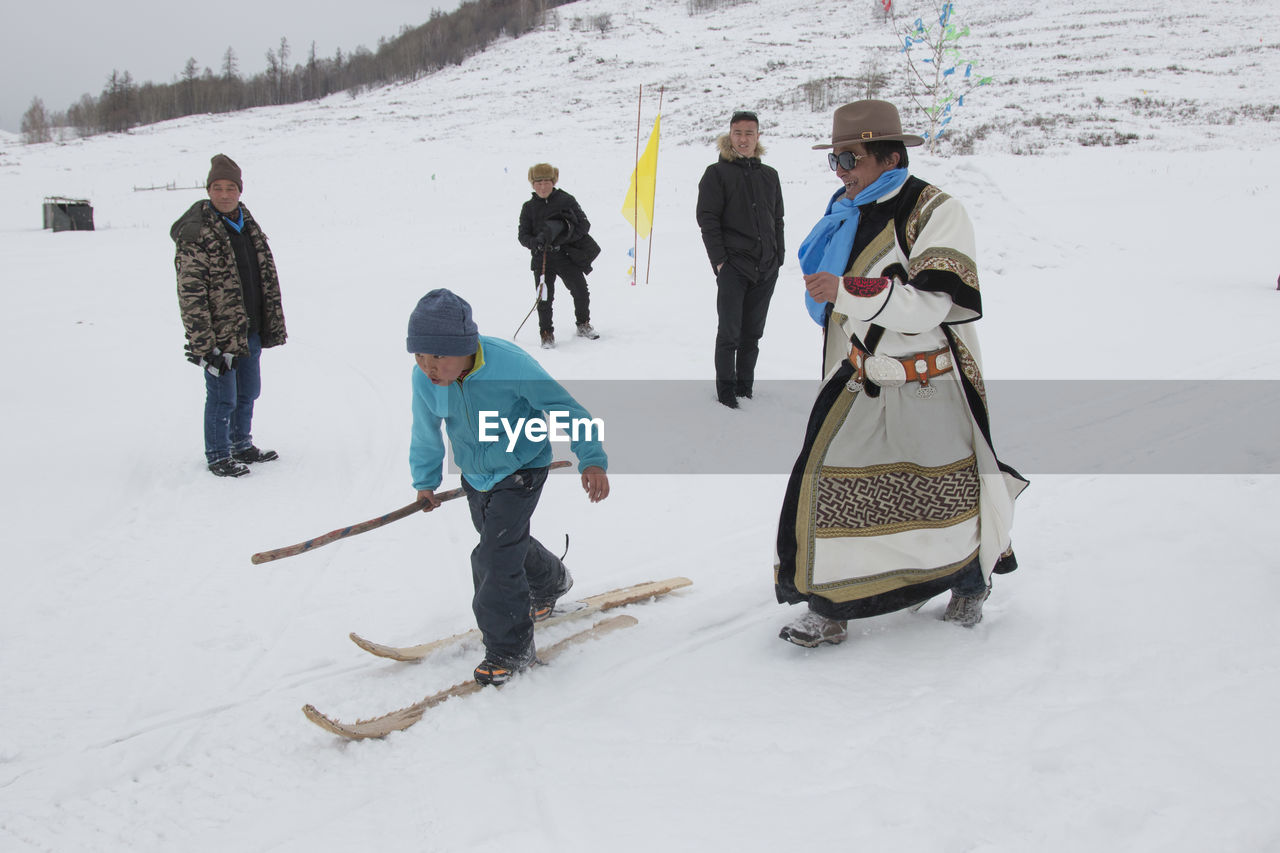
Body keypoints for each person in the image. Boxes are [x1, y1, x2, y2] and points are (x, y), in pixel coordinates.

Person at [774, 100, 1028, 647]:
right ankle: (830, 606)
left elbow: (932, 302)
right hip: (863, 379)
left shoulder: (935, 210)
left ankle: (969, 584)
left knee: (947, 496)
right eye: (835, 160)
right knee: (830, 488)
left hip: (928, 382)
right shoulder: (844, 209)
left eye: (850, 158)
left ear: (890, 158)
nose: (840, 171)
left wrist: (847, 291)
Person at [407, 289, 610, 685]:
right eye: (420, 355)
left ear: (466, 348)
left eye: (438, 356)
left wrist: (592, 459)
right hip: (476, 475)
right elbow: (425, 430)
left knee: (493, 557)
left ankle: (510, 648)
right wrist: (426, 481)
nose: (428, 366)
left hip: (522, 468)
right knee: (502, 541)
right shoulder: (425, 378)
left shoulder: (509, 365)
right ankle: (551, 580)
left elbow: (565, 408)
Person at [172, 154, 287, 478]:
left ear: (240, 190)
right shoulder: (196, 232)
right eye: (217, 188)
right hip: (218, 333)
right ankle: (218, 453)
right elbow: (190, 292)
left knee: (249, 391)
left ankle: (240, 443)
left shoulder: (246, 224)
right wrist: (203, 344)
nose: (224, 194)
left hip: (248, 326)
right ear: (208, 190)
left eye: (230, 188)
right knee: (223, 396)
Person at [696, 110, 785, 408]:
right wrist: (720, 262)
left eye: (749, 133)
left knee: (753, 334)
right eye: (738, 133)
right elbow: (708, 220)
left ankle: (745, 389)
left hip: (766, 267)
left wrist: (778, 256)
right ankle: (726, 395)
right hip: (734, 266)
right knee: (730, 333)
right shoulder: (716, 173)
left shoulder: (769, 175)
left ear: (758, 136)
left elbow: (778, 219)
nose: (743, 139)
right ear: (729, 136)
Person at [517, 164, 602, 349]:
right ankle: (546, 334)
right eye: (538, 182)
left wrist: (563, 236)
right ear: (532, 184)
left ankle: (583, 324)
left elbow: (584, 225)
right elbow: (522, 236)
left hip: (566, 255)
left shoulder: (566, 200)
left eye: (546, 181)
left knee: (580, 291)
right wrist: (536, 243)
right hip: (542, 259)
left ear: (553, 182)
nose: (542, 186)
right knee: (544, 298)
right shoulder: (528, 207)